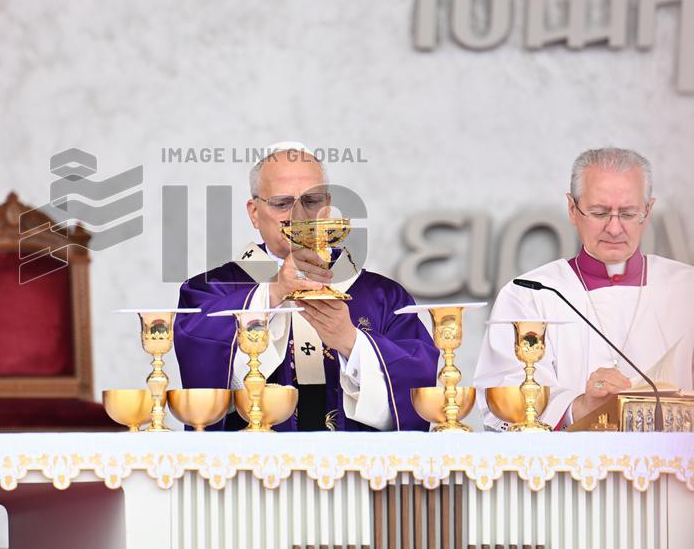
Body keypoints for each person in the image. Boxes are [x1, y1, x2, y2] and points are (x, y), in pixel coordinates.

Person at [174, 144, 437, 431]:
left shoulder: (384, 296)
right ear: (254, 212)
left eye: (311, 201)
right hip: (250, 468)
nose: (298, 215)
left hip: (354, 469)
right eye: (282, 202)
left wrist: (351, 341)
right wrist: (273, 293)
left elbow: (418, 383)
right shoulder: (209, 290)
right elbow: (197, 357)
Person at [474, 147, 694, 430]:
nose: (614, 229)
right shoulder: (531, 294)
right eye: (600, 213)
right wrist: (580, 407)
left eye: (628, 213)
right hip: (570, 469)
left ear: (648, 211)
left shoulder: (686, 288)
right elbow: (505, 400)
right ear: (572, 209)